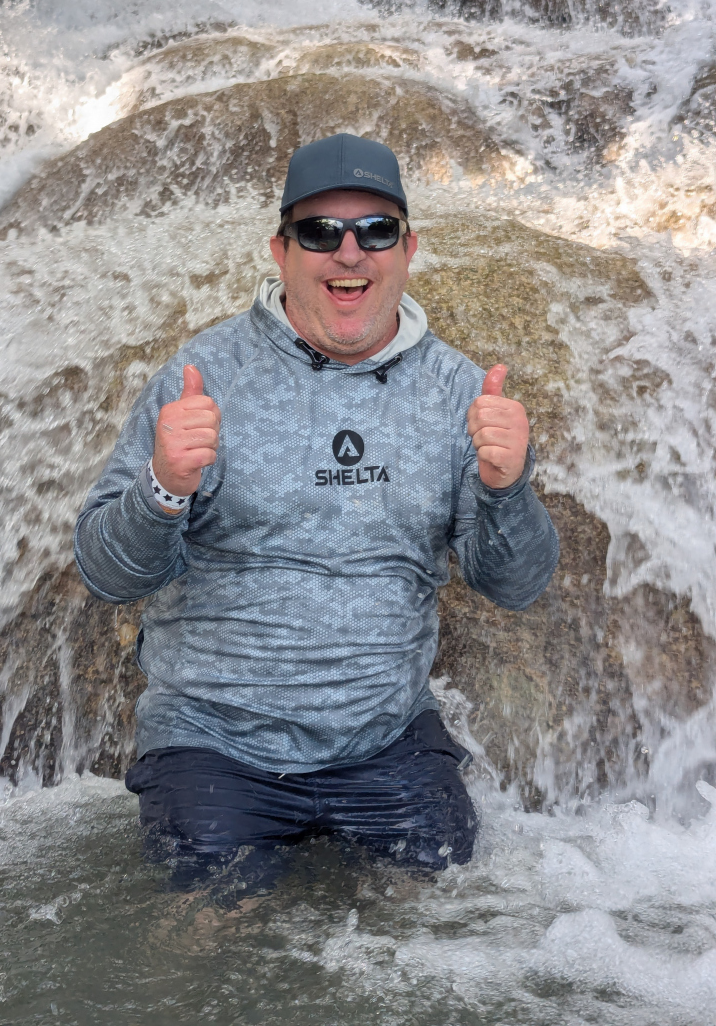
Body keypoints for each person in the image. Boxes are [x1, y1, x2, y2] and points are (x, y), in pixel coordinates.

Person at [74, 133, 559, 876]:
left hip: (388, 741)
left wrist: (507, 488)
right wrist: (164, 487)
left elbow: (516, 585)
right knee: (209, 926)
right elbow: (107, 575)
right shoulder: (201, 378)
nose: (349, 252)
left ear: (408, 248)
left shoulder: (461, 393)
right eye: (320, 231)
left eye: (376, 230)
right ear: (282, 251)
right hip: (213, 742)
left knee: (444, 914)